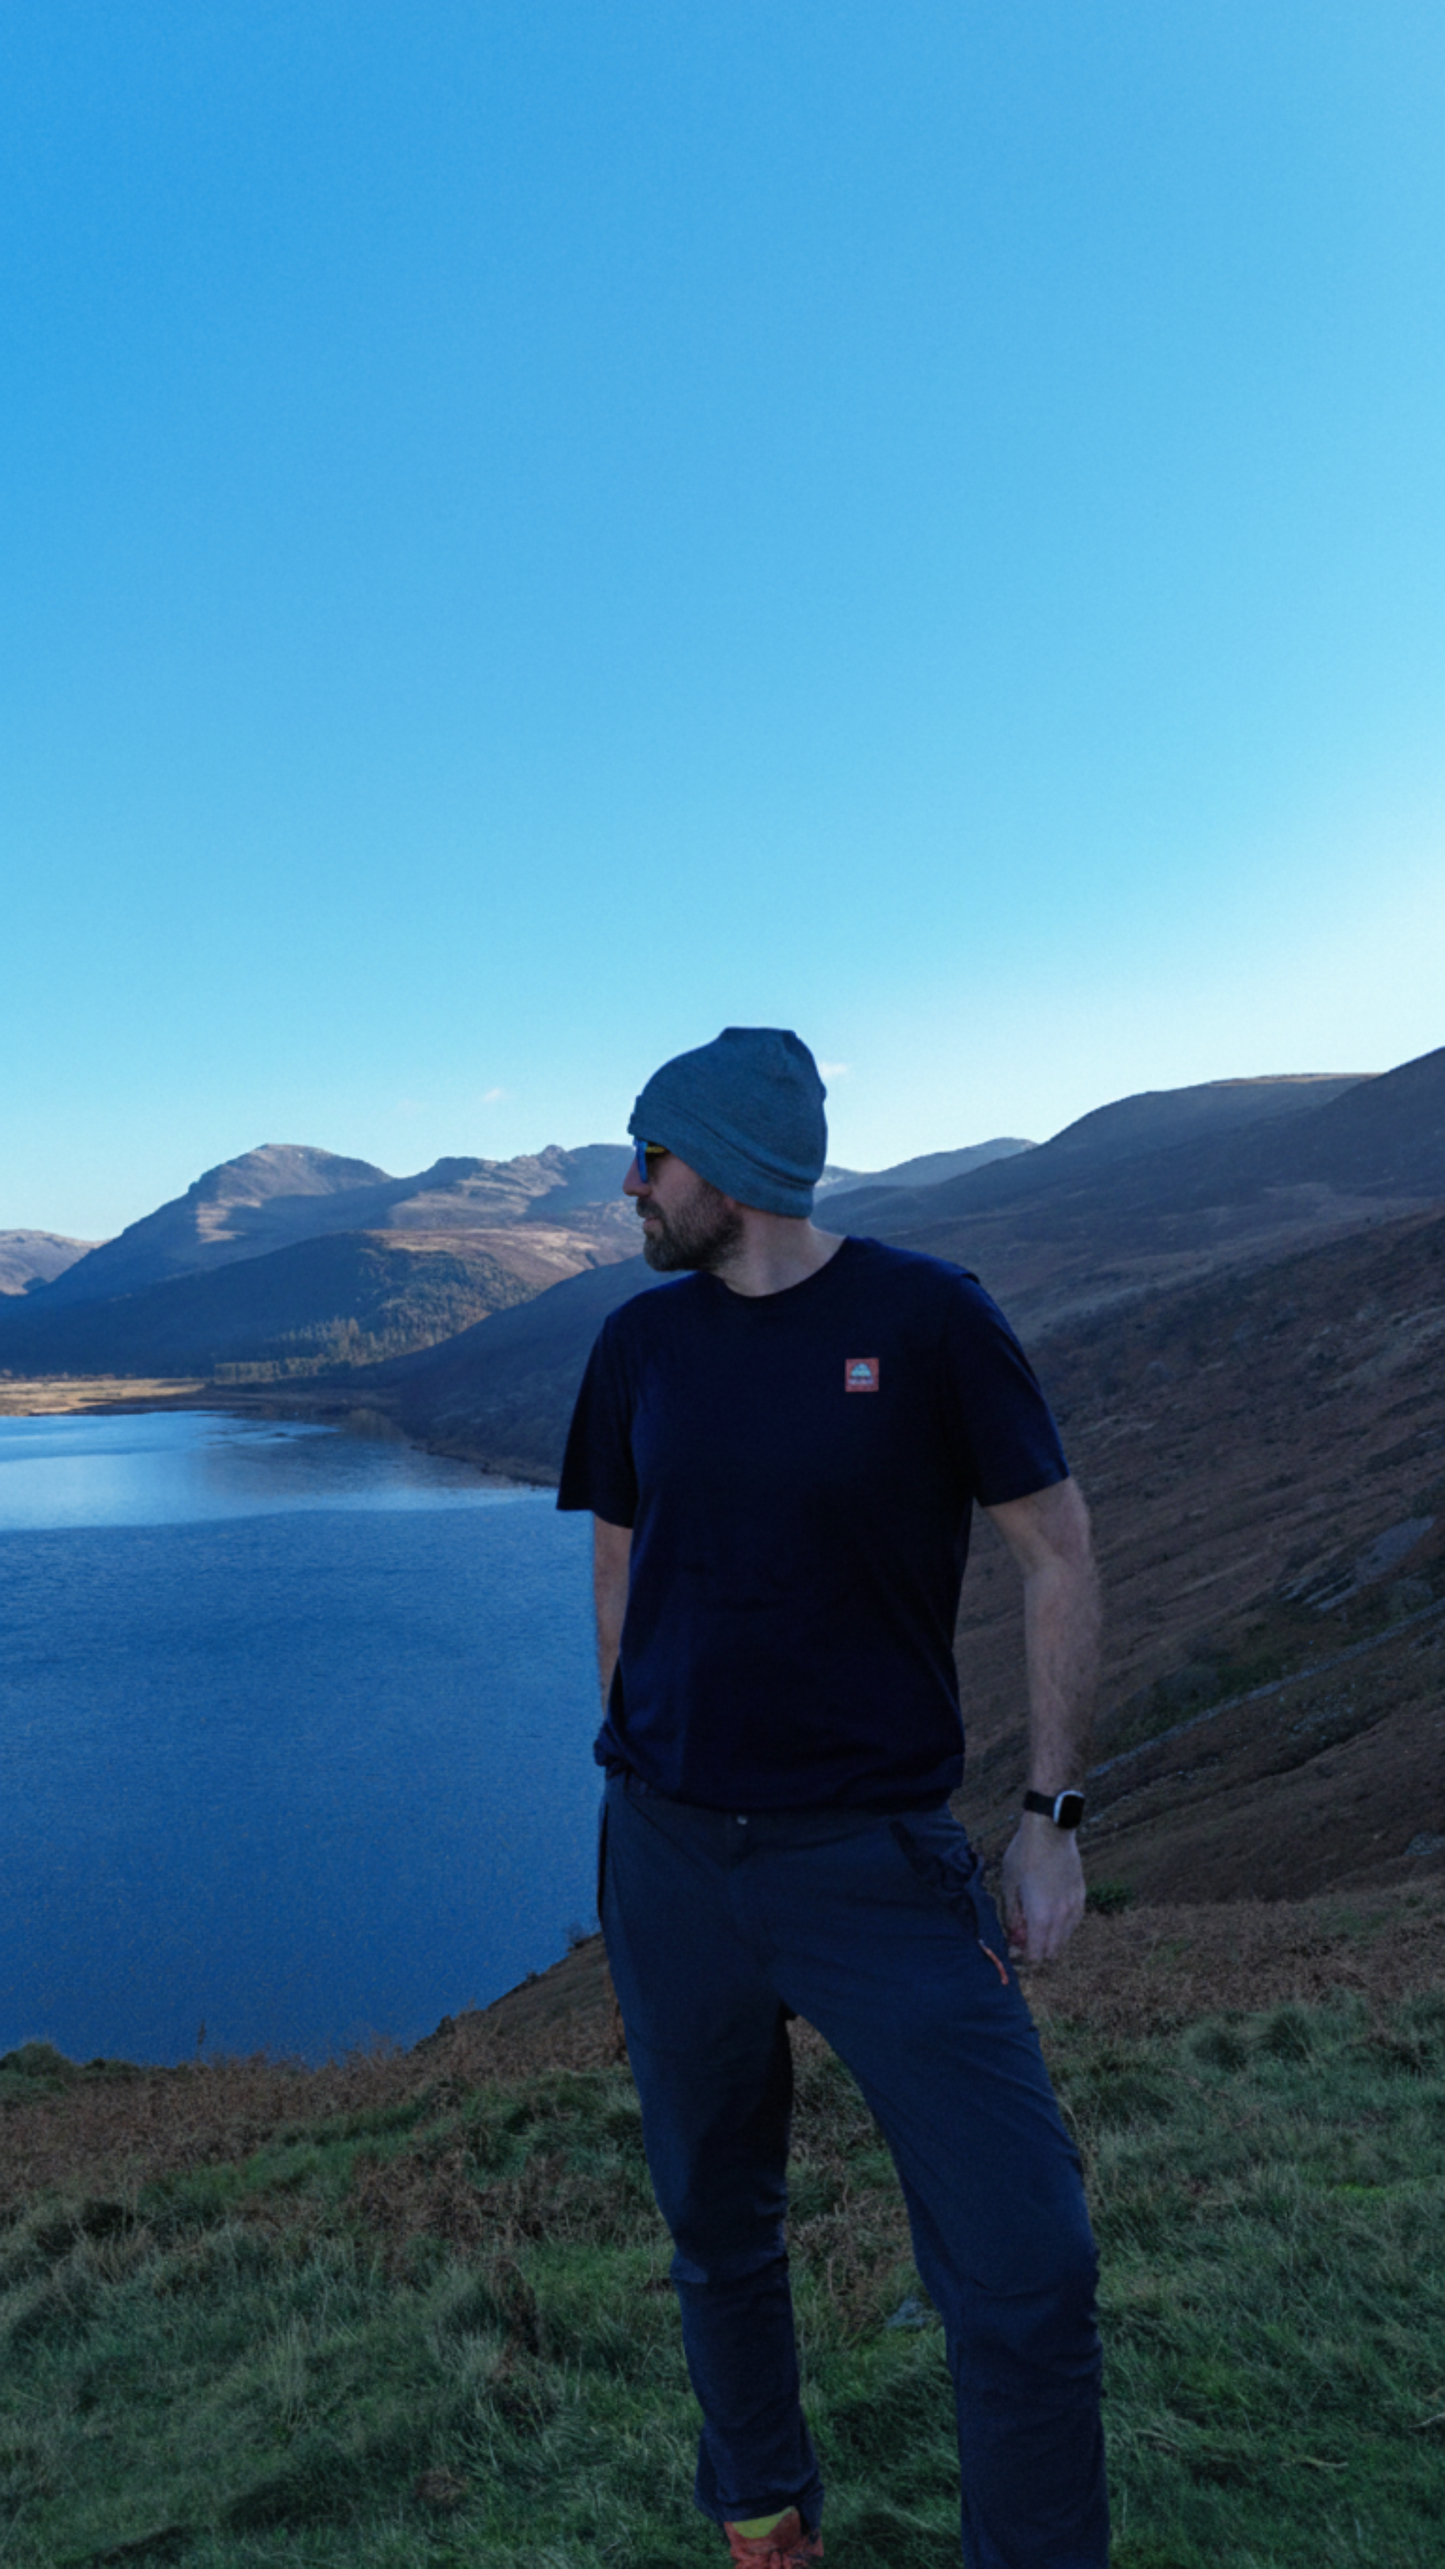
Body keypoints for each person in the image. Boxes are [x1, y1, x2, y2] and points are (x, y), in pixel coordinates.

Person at [558, 1027, 1107, 2569]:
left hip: (874, 1862)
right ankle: (765, 2519)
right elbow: (616, 1557)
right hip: (668, 1856)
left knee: (1028, 2255)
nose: (631, 1187)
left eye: (648, 1157)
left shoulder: (930, 1320)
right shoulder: (638, 1347)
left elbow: (1057, 1553)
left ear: (725, 1168)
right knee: (717, 2226)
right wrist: (638, 1759)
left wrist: (1051, 1815)